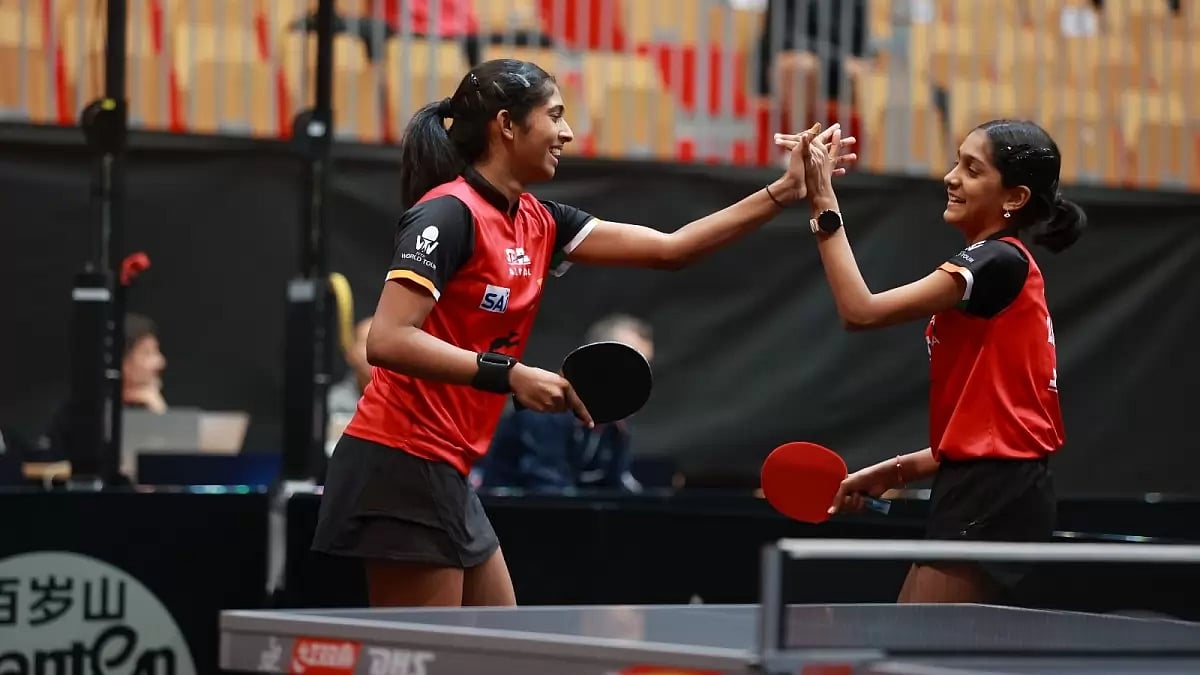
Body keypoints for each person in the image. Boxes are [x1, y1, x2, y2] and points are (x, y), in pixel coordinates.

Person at [310, 57, 856, 608]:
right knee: (430, 659)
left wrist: (783, 192)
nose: (567, 132)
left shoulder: (539, 221)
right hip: (398, 459)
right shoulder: (447, 215)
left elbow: (673, 249)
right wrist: (510, 375)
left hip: (444, 466)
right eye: (555, 115)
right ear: (507, 125)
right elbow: (387, 340)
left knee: (498, 644)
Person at [778, 119, 1086, 604]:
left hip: (994, 491)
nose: (951, 176)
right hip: (989, 485)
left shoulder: (996, 262)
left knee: (913, 644)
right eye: (956, 161)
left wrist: (824, 204)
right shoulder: (998, 266)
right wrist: (892, 472)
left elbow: (861, 311)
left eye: (972, 168)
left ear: (1014, 197)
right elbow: (990, 426)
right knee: (933, 647)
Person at [478, 314, 654, 494]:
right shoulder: (545, 409)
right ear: (599, 363)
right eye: (631, 368)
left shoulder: (616, 427)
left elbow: (618, 487)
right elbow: (548, 492)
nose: (640, 382)